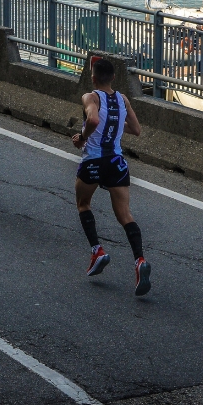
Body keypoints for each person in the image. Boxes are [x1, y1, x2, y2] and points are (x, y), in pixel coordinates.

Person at [72, 56, 151, 296]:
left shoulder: (90, 97)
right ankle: (139, 261)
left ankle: (97, 250)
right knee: (125, 215)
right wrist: (115, 126)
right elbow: (136, 130)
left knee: (84, 204)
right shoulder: (122, 98)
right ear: (114, 78)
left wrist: (82, 138)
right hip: (117, 163)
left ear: (93, 78)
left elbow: (94, 119)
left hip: (94, 161)